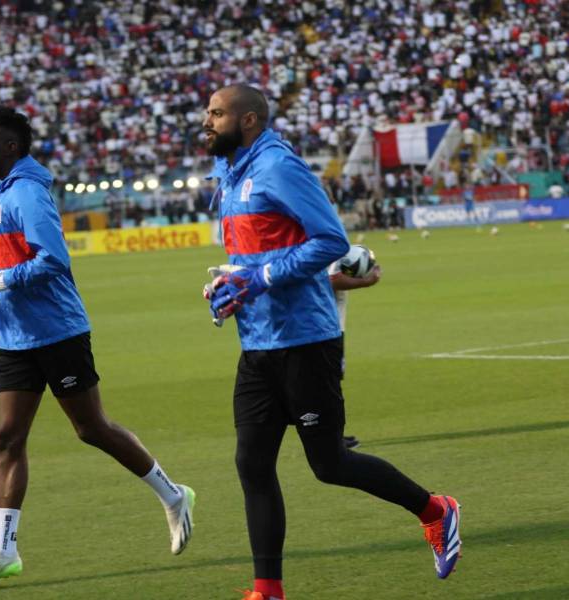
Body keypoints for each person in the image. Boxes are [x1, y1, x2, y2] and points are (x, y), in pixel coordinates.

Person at [201, 85, 461, 600]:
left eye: (216, 113)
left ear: (248, 119)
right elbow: (253, 260)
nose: (206, 121)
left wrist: (261, 278)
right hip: (257, 343)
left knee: (330, 465)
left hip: (305, 340)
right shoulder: (229, 174)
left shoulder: (278, 166)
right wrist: (228, 288)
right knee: (251, 463)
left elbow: (331, 241)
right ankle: (267, 590)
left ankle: (436, 510)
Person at [0, 107, 195, 585]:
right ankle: (4, 550)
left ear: (11, 148)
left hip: (59, 331)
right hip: (16, 337)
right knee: (7, 437)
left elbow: (54, 261)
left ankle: (173, 494)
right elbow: (12, 262)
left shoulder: (26, 192)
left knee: (91, 428)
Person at [328, 258, 384, 449]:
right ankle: (331, 438)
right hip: (328, 330)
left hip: (329, 329)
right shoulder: (330, 248)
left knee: (329, 384)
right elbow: (332, 280)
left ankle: (333, 436)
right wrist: (367, 281)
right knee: (329, 385)